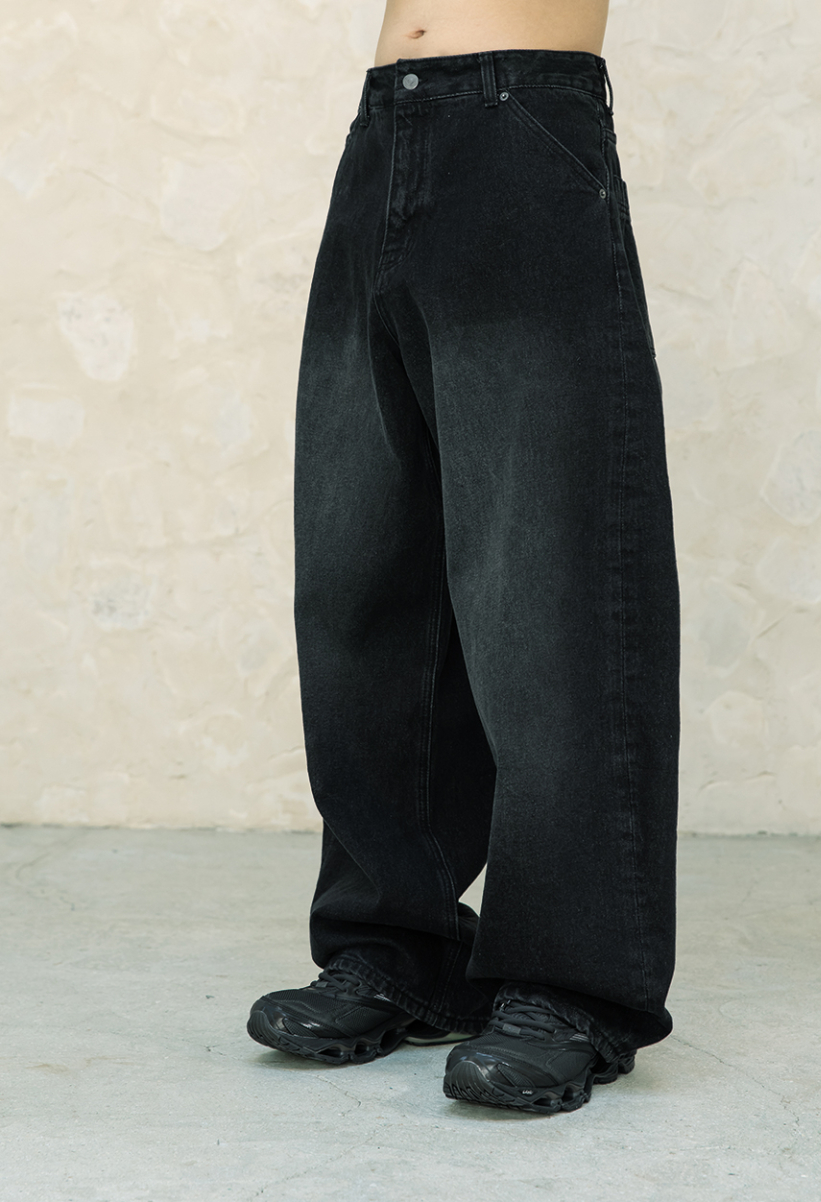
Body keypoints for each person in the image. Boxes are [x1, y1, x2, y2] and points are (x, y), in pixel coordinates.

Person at [247, 0, 681, 1115]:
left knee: (551, 584)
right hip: (383, 133)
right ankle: (399, 941)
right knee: (362, 572)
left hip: (523, 127)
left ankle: (575, 984)